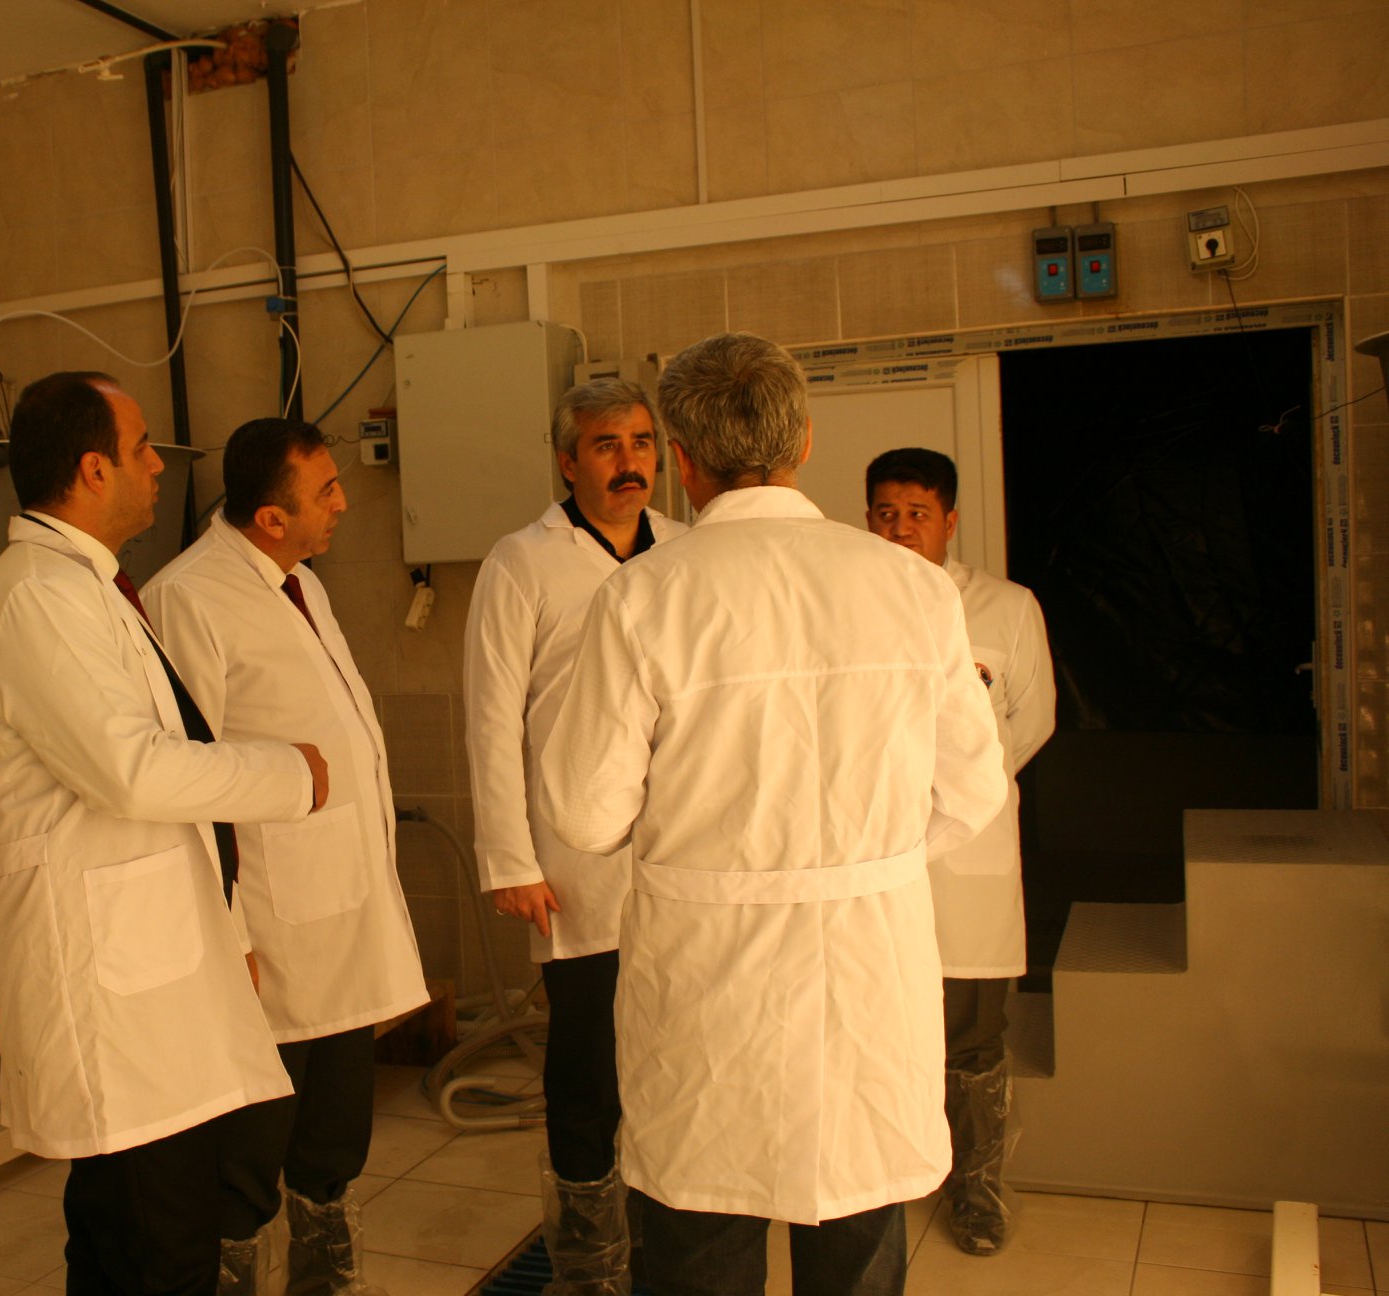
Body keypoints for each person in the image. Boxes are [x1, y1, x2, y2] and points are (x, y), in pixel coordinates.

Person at [540, 334, 1006, 1296]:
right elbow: (973, 789)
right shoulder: (913, 588)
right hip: (867, 966)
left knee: (701, 1236)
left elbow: (583, 814)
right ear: (804, 441)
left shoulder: (643, 597)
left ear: (682, 460)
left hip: (707, 982)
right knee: (858, 1231)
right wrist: (864, 862)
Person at [0, 372, 330, 1296]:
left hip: (148, 974)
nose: (159, 466)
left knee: (136, 1240)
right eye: (141, 448)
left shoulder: (88, 589)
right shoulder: (37, 597)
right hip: (106, 987)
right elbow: (132, 770)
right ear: (93, 470)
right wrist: (289, 773)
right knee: (157, 1249)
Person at [142, 418, 427, 1296]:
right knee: (249, 1149)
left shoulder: (300, 582)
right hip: (267, 924)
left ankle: (324, 1280)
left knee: (334, 1134)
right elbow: (188, 782)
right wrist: (227, 935)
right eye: (326, 491)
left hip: (338, 910)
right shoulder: (188, 599)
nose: (343, 503)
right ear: (270, 516)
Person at [464, 377, 688, 1295]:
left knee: (678, 1059)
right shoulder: (522, 562)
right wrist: (509, 859)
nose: (629, 461)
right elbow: (490, 720)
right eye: (606, 445)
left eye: (641, 442)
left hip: (682, 855)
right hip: (575, 865)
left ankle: (666, 1234)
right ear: (567, 462)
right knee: (590, 1065)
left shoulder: (687, 550)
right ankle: (589, 1258)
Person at [865, 447, 1056, 1257]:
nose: (901, 529)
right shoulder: (850, 599)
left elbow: (1031, 721)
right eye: (886, 514)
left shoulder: (1007, 608)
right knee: (878, 1026)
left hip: (969, 857)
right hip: (873, 856)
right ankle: (882, 1181)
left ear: (949, 520)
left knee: (973, 1036)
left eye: (918, 514)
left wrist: (954, 793)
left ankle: (977, 1193)